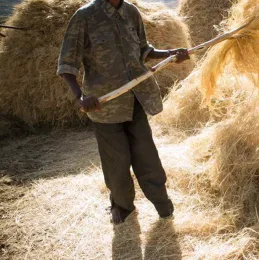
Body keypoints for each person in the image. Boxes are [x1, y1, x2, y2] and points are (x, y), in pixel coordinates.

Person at [57, 0, 190, 224]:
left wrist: (170, 54)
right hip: (105, 107)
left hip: (136, 99)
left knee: (146, 155)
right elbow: (66, 63)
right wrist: (80, 97)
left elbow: (143, 50)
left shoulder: (131, 12)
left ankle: (162, 204)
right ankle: (122, 206)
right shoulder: (84, 17)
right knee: (116, 161)